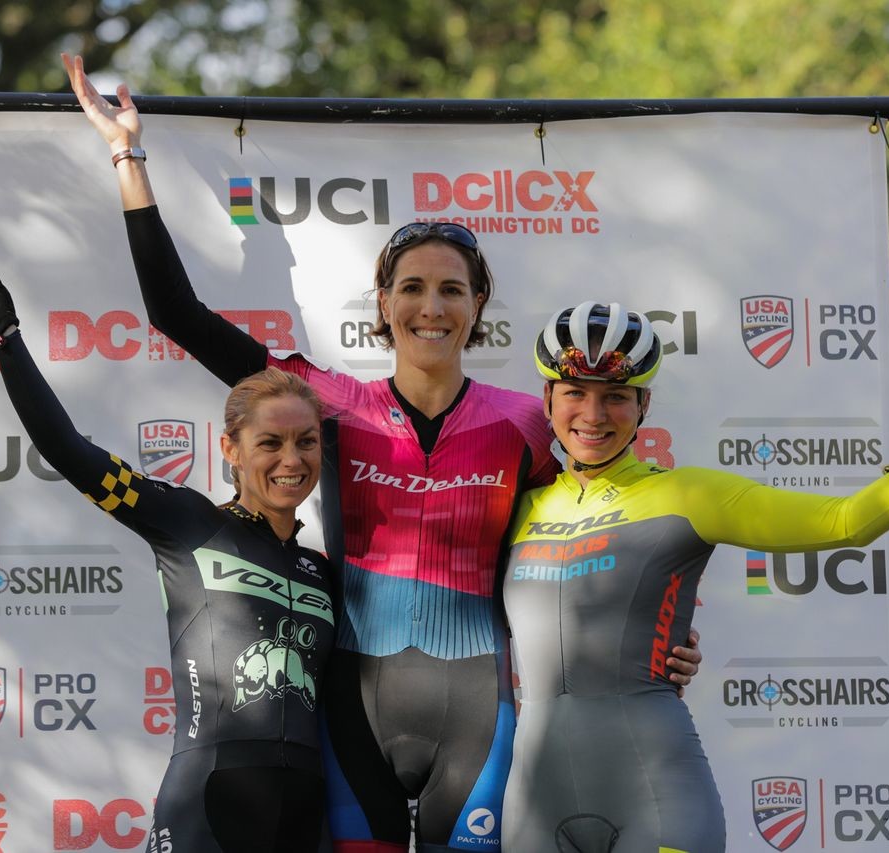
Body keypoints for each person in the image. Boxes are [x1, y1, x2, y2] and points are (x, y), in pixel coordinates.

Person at [60, 55, 703, 851]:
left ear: (478, 309)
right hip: (351, 704)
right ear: (384, 304)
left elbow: (592, 542)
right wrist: (128, 155)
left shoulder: (529, 425)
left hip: (480, 706)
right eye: (412, 287)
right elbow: (177, 313)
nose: (431, 306)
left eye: (451, 289)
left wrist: (658, 638)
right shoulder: (330, 403)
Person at [500, 301, 889, 853]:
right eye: (575, 392)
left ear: (644, 404)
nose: (594, 414)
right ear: (547, 399)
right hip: (533, 803)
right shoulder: (516, 507)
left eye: (616, 396)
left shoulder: (688, 493)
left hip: (655, 791)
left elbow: (844, 522)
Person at [0, 262, 337, 853]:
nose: (291, 460)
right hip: (209, 802)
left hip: (309, 814)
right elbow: (69, 451)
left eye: (306, 442)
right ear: (231, 449)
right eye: (269, 443)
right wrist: (5, 342)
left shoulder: (323, 571)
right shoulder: (190, 524)